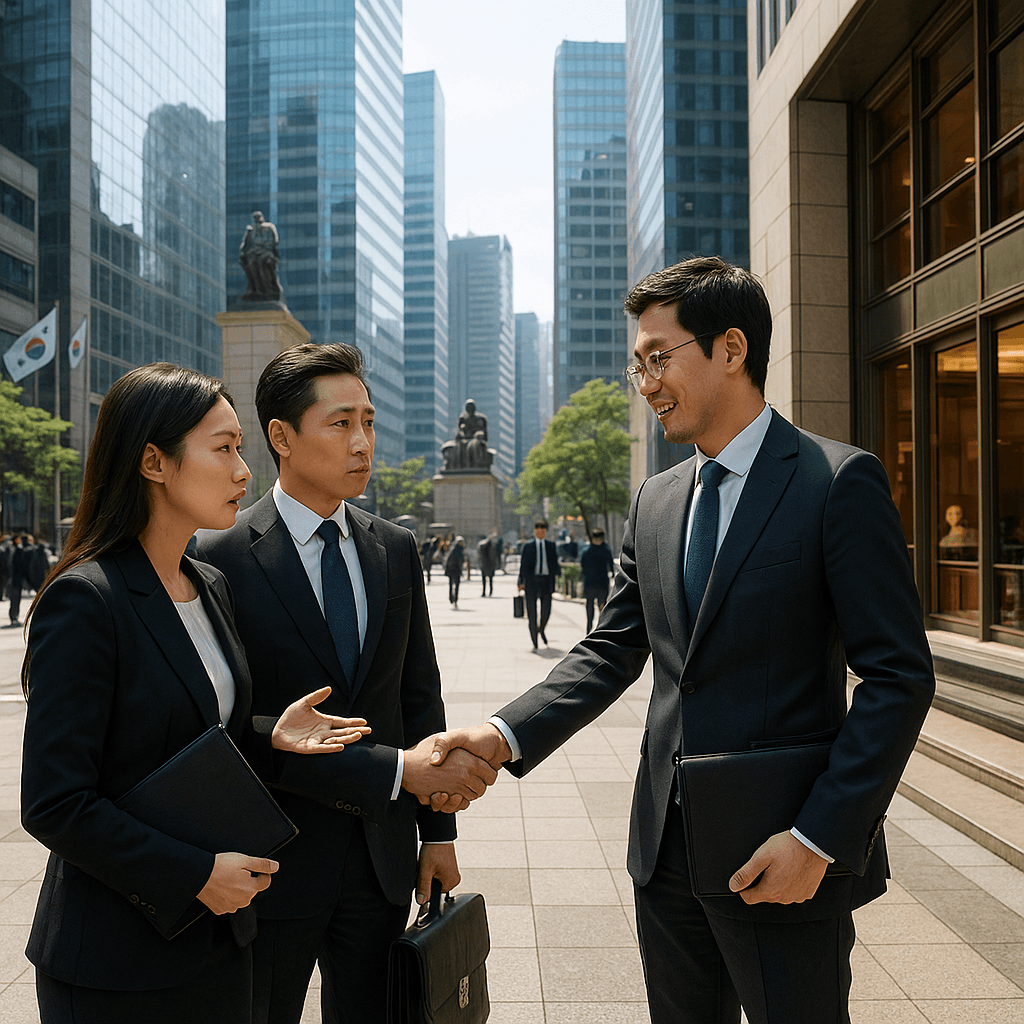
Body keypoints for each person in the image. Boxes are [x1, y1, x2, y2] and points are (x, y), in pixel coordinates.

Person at [428, 257, 935, 1024]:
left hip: (783, 853)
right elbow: (612, 649)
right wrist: (503, 735)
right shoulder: (658, 499)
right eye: (639, 365)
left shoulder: (836, 483)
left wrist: (820, 836)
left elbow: (898, 677)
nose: (646, 382)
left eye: (658, 358)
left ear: (731, 350)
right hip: (664, 853)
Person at [19, 363, 368, 1024]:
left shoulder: (207, 584)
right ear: (154, 461)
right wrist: (196, 875)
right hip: (116, 964)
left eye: (241, 449)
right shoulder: (87, 599)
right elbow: (55, 802)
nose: (245, 471)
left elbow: (191, 737)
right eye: (224, 448)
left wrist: (268, 734)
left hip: (221, 944)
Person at [195, 344, 495, 1024]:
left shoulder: (394, 547)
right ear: (281, 437)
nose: (363, 443)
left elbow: (419, 696)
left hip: (381, 863)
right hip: (271, 863)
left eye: (370, 421)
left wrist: (439, 832)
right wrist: (392, 771)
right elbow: (221, 727)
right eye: (340, 424)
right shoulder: (217, 557)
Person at [518, 519, 560, 649]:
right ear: (535, 531)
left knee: (546, 611)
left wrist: (557, 576)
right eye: (538, 529)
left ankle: (541, 629)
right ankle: (534, 639)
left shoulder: (551, 546)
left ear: (545, 532)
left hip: (546, 582)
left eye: (543, 529)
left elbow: (555, 563)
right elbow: (523, 565)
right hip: (531, 582)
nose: (540, 532)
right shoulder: (528, 546)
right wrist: (520, 581)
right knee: (531, 611)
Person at [579, 528, 615, 633]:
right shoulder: (604, 549)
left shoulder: (587, 550)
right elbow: (610, 563)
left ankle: (598, 627)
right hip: (596, 582)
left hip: (596, 582)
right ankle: (591, 625)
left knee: (600, 605)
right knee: (594, 604)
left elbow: (582, 564)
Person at [445, 535, 465, 607]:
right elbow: (458, 560)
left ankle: (453, 598)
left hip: (453, 569)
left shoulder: (455, 549)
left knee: (453, 585)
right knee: (454, 585)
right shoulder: (457, 550)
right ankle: (453, 599)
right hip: (454, 569)